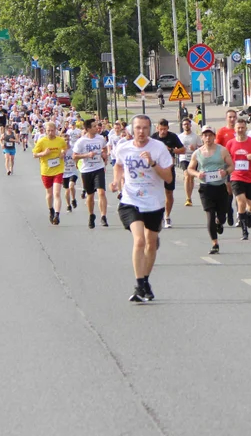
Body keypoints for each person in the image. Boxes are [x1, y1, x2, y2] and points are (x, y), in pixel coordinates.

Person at [111, 115, 174, 302]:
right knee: (139, 241)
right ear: (132, 129)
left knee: (151, 244)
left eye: (145, 128)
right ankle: (139, 284)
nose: (141, 132)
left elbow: (169, 178)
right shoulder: (123, 148)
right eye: (138, 128)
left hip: (154, 202)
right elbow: (118, 166)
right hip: (130, 200)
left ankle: (145, 281)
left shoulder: (158, 148)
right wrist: (116, 181)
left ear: (150, 129)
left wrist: (153, 164)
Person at [188, 126, 235, 254]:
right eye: (205, 135)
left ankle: (220, 222)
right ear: (202, 137)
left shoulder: (222, 151)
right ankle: (215, 243)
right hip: (205, 187)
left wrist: (225, 172)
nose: (208, 138)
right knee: (209, 214)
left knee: (222, 215)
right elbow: (190, 169)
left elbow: (232, 166)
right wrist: (198, 174)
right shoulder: (197, 153)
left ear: (214, 136)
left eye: (210, 135)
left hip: (220, 186)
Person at [225, 117, 251, 240]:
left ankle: (247, 215)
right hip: (236, 177)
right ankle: (244, 231)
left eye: (242, 128)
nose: (240, 130)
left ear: (246, 128)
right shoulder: (230, 143)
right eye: (238, 128)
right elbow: (226, 159)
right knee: (241, 201)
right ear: (235, 129)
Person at [73, 118, 110, 229]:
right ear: (88, 129)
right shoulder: (81, 141)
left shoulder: (100, 139)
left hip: (98, 168)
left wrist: (104, 155)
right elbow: (74, 156)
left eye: (97, 126)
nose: (97, 128)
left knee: (101, 192)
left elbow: (104, 149)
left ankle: (103, 217)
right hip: (86, 170)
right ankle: (91, 215)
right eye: (94, 126)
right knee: (90, 195)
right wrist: (87, 155)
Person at [151, 119, 185, 228]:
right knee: (156, 193)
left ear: (168, 128)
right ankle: (157, 215)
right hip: (156, 169)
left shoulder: (172, 137)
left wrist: (170, 150)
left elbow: (183, 149)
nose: (163, 132)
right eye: (161, 129)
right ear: (157, 128)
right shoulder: (153, 138)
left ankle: (167, 216)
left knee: (169, 193)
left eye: (165, 129)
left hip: (169, 169)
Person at [32, 121, 67, 225]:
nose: (51, 133)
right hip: (46, 170)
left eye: (52, 130)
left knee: (57, 193)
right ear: (45, 131)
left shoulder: (60, 140)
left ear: (55, 130)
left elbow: (64, 149)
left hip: (58, 169)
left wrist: (62, 154)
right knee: (49, 194)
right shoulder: (42, 141)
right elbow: (34, 154)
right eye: (48, 131)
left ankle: (57, 214)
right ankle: (51, 209)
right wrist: (43, 153)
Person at [216, 110, 238, 226]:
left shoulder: (239, 130)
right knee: (229, 189)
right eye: (230, 117)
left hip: (238, 163)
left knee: (238, 189)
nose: (232, 119)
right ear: (226, 118)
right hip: (226, 163)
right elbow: (217, 147)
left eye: (234, 117)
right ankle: (229, 210)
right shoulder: (222, 131)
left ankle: (240, 213)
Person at [176, 117, 201, 207]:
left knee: (191, 177)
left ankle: (189, 196)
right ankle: (188, 198)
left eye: (187, 124)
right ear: (182, 126)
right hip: (184, 158)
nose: (186, 126)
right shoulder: (180, 137)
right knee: (186, 175)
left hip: (193, 158)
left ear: (190, 125)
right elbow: (176, 148)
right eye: (184, 124)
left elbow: (201, 147)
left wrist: (195, 148)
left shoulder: (195, 136)